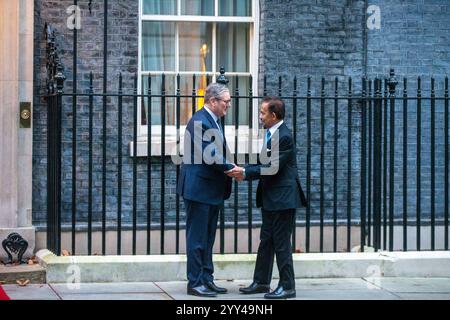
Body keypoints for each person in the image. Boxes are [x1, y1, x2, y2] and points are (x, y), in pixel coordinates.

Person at [227, 97, 307, 299]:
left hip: (283, 199)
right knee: (267, 241)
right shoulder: (273, 134)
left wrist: (244, 172)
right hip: (273, 198)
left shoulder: (284, 136)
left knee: (281, 243)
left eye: (263, 113)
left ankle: (288, 286)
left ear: (273, 115)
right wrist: (245, 171)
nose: (260, 116)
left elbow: (272, 167)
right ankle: (262, 282)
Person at [177, 83, 235, 297]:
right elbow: (211, 155)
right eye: (226, 101)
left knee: (208, 238)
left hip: (211, 189)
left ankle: (206, 278)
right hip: (199, 189)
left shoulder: (213, 120)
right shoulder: (200, 121)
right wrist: (234, 169)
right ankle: (194, 282)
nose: (228, 105)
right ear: (212, 101)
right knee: (198, 239)